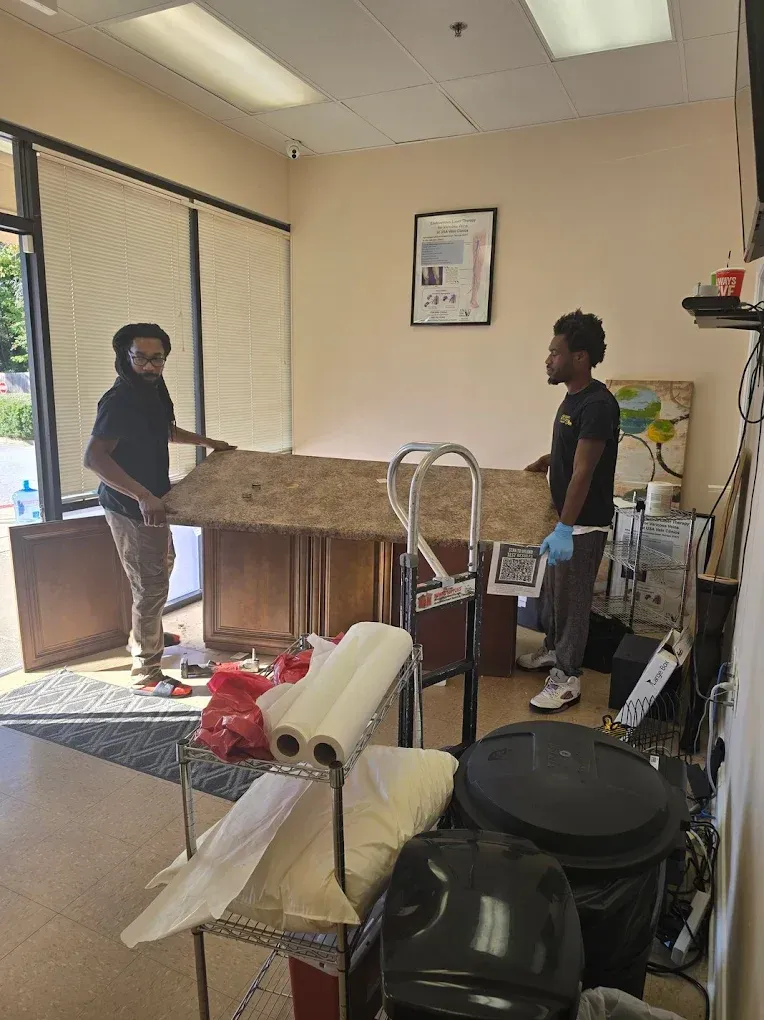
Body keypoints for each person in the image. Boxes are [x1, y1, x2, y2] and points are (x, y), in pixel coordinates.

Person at [84, 323, 235, 699]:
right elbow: (94, 458)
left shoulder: (154, 388)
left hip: (152, 500)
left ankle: (146, 633)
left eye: (158, 359)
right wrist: (142, 496)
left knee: (162, 566)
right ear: (125, 356)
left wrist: (206, 441)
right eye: (141, 359)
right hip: (129, 504)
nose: (150, 366)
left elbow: (164, 430)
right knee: (149, 584)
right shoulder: (119, 400)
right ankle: (146, 670)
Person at [520, 310, 620, 713]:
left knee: (574, 602)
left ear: (579, 357)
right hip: (565, 520)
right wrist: (549, 459)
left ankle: (567, 677)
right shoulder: (574, 398)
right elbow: (573, 451)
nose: (548, 358)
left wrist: (565, 528)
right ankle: (552, 650)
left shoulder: (597, 405)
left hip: (581, 524)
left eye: (554, 352)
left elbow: (584, 471)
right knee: (553, 598)